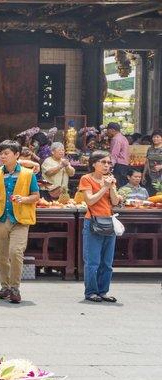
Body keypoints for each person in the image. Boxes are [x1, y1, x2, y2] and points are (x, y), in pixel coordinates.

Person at [0, 140, 40, 305]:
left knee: (15, 252)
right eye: (1, 153)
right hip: (0, 218)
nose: (2, 156)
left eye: (6, 153)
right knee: (1, 256)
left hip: (20, 219)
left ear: (17, 155)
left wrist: (24, 199)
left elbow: (36, 196)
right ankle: (5, 286)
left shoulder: (28, 174)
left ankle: (15, 288)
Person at [78, 151, 121, 303]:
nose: (106, 165)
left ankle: (103, 291)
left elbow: (115, 202)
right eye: (103, 162)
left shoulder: (110, 180)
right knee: (92, 261)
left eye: (109, 163)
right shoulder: (86, 178)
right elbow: (89, 201)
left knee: (107, 262)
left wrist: (112, 187)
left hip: (108, 221)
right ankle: (91, 292)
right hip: (93, 221)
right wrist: (104, 187)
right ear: (94, 163)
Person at [106, 122, 131, 187]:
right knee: (123, 185)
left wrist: (110, 166)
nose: (107, 133)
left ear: (112, 130)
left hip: (118, 165)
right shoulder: (123, 138)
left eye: (108, 130)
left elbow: (114, 154)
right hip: (125, 164)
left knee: (117, 185)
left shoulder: (115, 139)